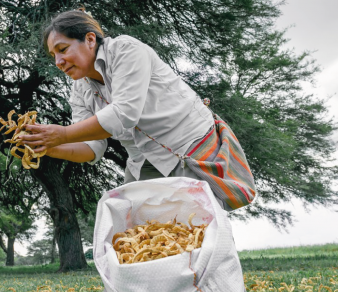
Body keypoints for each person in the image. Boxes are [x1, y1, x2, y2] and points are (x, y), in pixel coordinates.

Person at [20, 8, 215, 184]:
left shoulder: (125, 50)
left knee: (198, 220)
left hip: (190, 146)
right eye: (53, 55)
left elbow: (124, 113)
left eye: (62, 50)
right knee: (132, 220)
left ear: (90, 39)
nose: (58, 62)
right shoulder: (79, 90)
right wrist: (47, 146)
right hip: (143, 162)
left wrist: (62, 134)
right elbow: (92, 147)